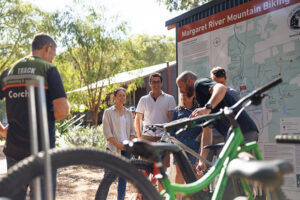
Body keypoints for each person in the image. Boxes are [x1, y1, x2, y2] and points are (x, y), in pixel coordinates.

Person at [0, 33, 70, 199]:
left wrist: (3, 130)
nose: (52, 59)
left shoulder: (9, 71)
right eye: (53, 55)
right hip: (42, 152)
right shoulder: (47, 69)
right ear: (48, 48)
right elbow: (62, 111)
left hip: (14, 152)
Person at [176, 71, 258, 171]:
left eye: (181, 87)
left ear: (189, 81)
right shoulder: (200, 101)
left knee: (240, 175)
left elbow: (221, 88)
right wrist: (202, 160)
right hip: (233, 137)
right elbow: (207, 131)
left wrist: (207, 108)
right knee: (230, 176)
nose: (181, 91)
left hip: (244, 132)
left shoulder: (200, 84)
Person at [135, 72, 176, 190]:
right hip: (147, 137)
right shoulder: (143, 99)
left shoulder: (170, 98)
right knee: (144, 170)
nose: (156, 84)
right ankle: (142, 196)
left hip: (162, 138)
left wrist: (167, 137)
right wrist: (140, 137)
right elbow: (137, 119)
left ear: (161, 83)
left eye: (158, 82)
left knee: (161, 172)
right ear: (150, 83)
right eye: (153, 82)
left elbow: (170, 119)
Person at [102, 87, 136, 200]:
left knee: (123, 178)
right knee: (107, 177)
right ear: (115, 97)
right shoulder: (108, 112)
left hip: (126, 150)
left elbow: (132, 131)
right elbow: (107, 133)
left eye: (124, 95)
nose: (122, 98)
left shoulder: (128, 113)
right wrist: (118, 145)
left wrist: (129, 143)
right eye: (120, 95)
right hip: (112, 149)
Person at [170, 94, 202, 200]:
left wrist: (198, 138)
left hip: (194, 145)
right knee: (179, 172)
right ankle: (178, 198)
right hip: (179, 144)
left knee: (193, 173)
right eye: (182, 96)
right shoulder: (177, 110)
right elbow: (172, 127)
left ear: (193, 97)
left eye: (186, 96)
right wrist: (173, 140)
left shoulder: (199, 110)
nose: (184, 98)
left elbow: (204, 127)